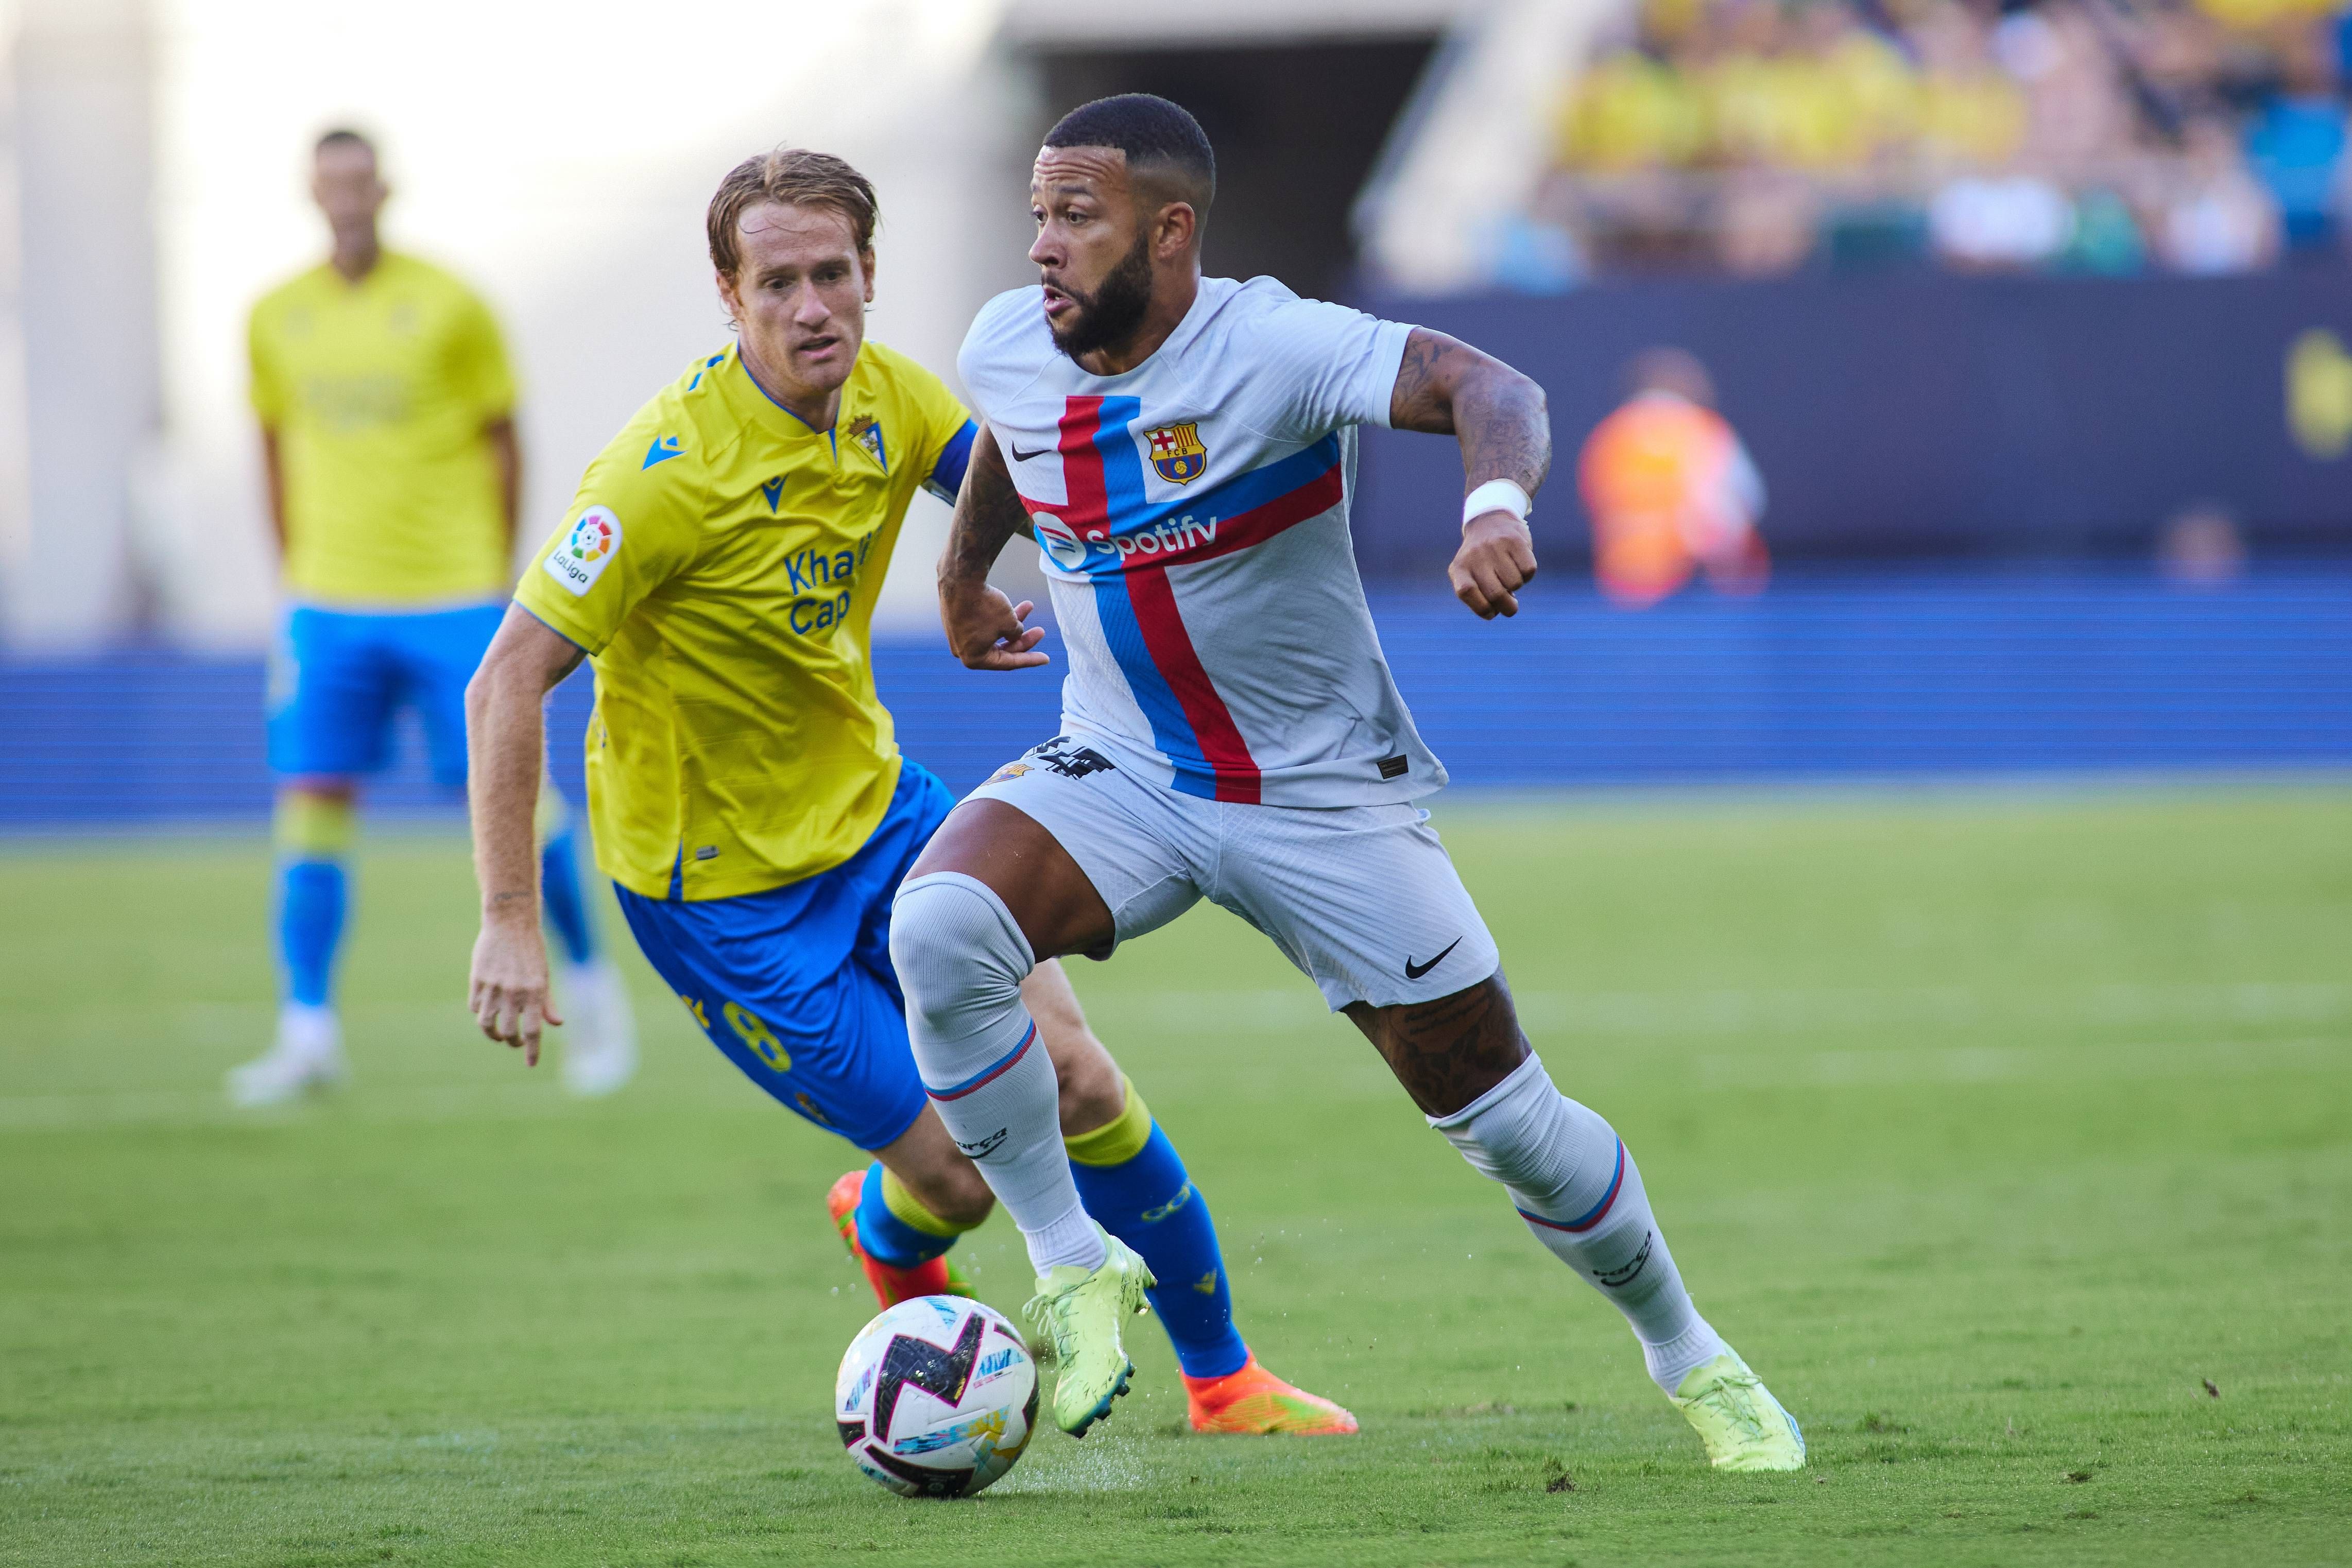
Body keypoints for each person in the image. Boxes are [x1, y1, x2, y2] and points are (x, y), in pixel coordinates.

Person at [899, 93, 1806, 1469]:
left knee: (1509, 1124)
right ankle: (1072, 1261)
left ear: (1169, 230)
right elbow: (1010, 443)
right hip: (1122, 766)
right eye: (1036, 214)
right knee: (939, 926)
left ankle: (1690, 1353)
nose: (1042, 245)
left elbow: (1495, 391)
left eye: (1074, 216)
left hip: (1321, 797)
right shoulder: (1007, 344)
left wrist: (1492, 507)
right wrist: (965, 577)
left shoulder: (1272, 346)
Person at [461, 147, 1353, 1440]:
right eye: (778, 283)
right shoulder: (661, 474)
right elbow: (506, 681)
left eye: (832, 273)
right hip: (723, 898)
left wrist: (995, 572)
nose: (812, 307)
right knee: (958, 1178)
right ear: (730, 295)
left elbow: (1035, 498)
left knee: (1077, 1080)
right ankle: (888, 1229)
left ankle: (1223, 1382)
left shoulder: (893, 397)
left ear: (871, 271)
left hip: (885, 819)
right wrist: (508, 915)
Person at [231, 129, 633, 1107]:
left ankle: (591, 992)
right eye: (330, 183)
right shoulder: (274, 316)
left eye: (360, 181)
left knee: (517, 800)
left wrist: (495, 575)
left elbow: (504, 440)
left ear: (385, 188)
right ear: (311, 193)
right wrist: (294, 575)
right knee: (312, 804)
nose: (346, 198)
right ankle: (307, 1031)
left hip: (452, 594)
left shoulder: (454, 304)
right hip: (328, 602)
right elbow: (272, 446)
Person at [1577, 348, 1769, 607]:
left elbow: (1595, 497)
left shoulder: (1611, 433)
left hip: (1628, 578)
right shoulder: (1702, 427)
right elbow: (1738, 499)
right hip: (1700, 577)